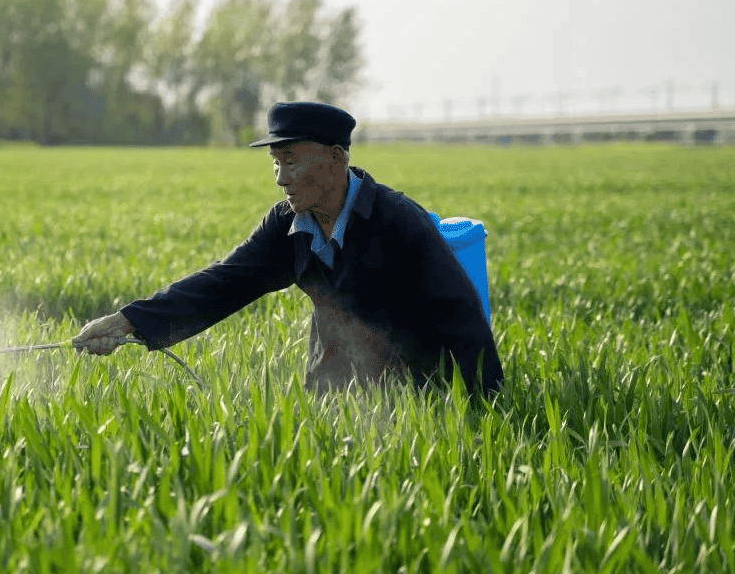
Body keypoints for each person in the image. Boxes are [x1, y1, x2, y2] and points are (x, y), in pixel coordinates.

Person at [73, 101, 502, 394]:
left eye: (291, 160)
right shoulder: (287, 227)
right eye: (275, 162)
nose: (280, 177)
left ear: (336, 159)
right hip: (334, 393)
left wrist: (482, 407)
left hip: (414, 396)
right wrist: (127, 321)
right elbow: (223, 283)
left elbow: (460, 318)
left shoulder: (395, 222)